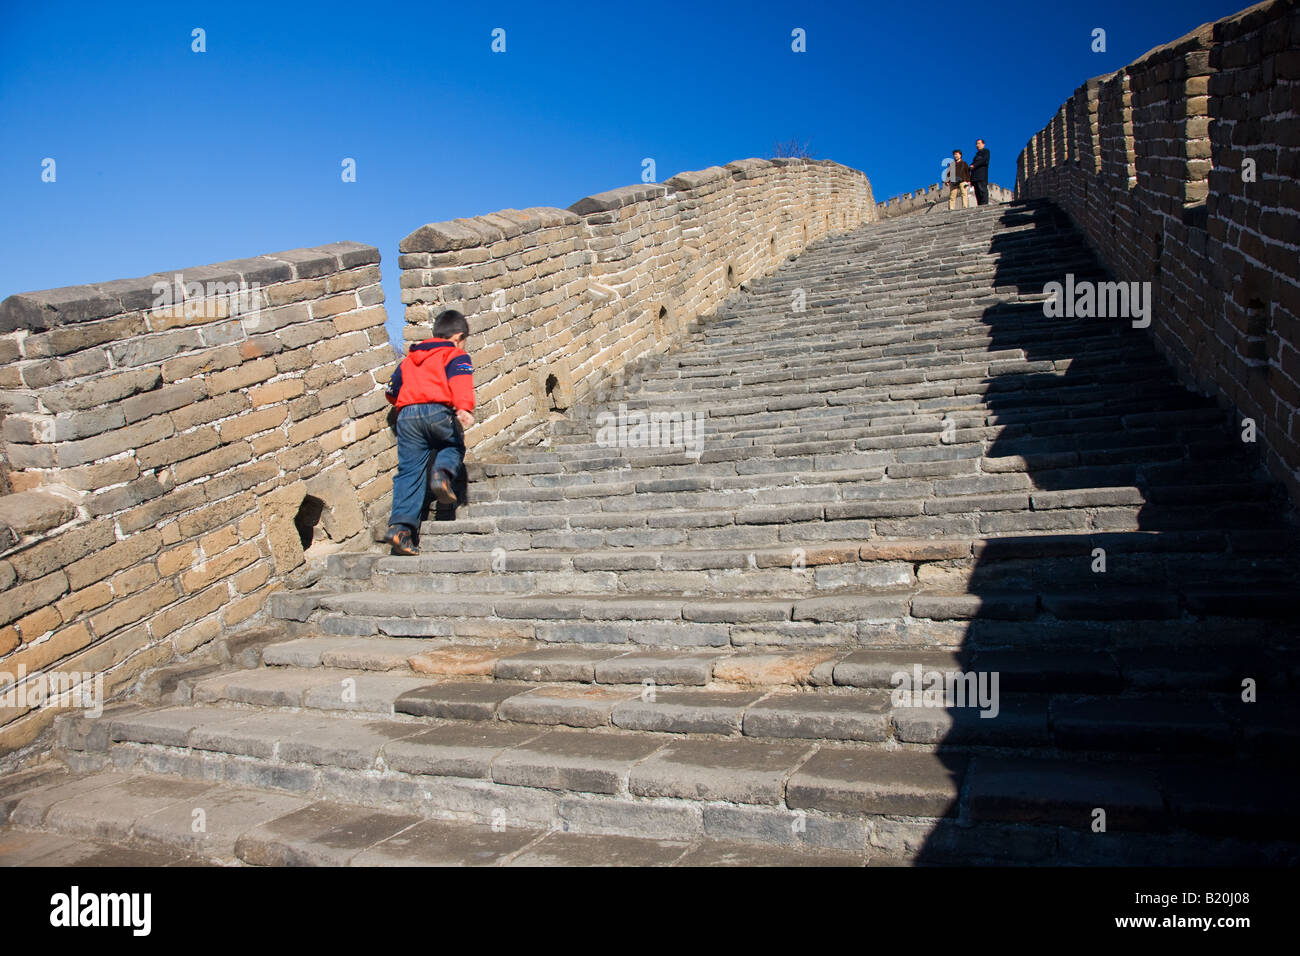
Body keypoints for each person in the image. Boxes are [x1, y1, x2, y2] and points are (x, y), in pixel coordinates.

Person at [382, 309, 476, 556]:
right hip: (438, 410)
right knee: (453, 445)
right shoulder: (455, 354)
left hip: (407, 417)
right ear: (457, 337)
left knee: (409, 472)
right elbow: (460, 380)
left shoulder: (409, 359)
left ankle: (400, 529)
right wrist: (464, 407)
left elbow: (391, 392)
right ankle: (442, 475)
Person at [970, 139, 990, 206]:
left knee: (982, 190)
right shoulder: (976, 156)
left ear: (983, 144)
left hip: (982, 175)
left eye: (979, 143)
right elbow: (971, 166)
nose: (977, 145)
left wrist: (974, 165)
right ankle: (980, 206)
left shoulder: (986, 151)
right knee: (977, 192)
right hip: (975, 177)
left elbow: (984, 160)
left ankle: (984, 205)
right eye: (976, 144)